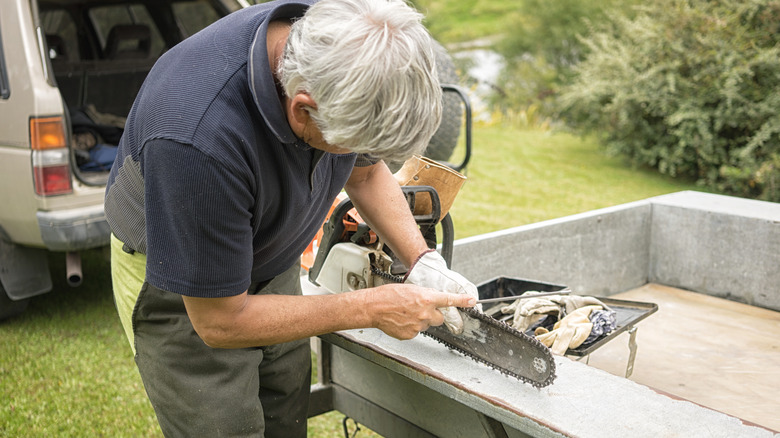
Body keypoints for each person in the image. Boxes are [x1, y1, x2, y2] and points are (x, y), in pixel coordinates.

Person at [105, 0, 478, 436]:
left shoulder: (341, 50)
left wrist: (421, 260)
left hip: (270, 256)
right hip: (184, 286)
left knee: (286, 413)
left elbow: (367, 170)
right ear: (302, 109)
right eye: (349, 143)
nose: (358, 155)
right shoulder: (196, 140)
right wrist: (370, 308)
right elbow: (219, 322)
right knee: (224, 424)